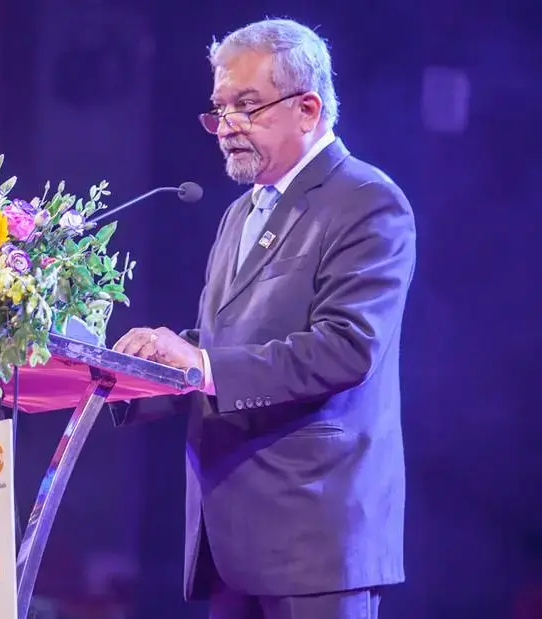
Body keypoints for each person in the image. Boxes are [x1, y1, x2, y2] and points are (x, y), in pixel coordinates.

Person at [112, 18, 417, 619]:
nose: (226, 129)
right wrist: (138, 371)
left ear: (308, 108)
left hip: (313, 537)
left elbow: (347, 347)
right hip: (231, 540)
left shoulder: (366, 201)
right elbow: (228, 344)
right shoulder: (239, 214)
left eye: (246, 108)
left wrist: (200, 362)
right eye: (219, 110)